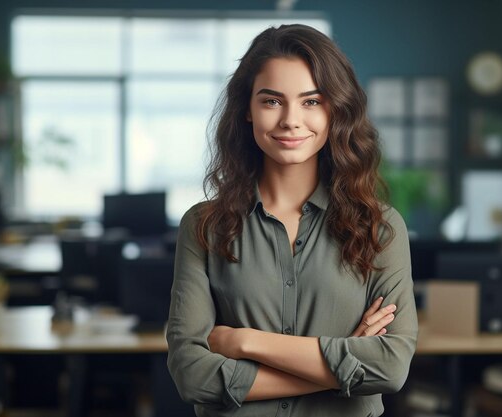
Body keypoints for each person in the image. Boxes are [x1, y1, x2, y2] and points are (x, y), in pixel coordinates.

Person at [166, 24, 418, 416]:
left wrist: (245, 342)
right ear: (247, 111)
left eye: (311, 102)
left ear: (336, 110)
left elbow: (390, 366)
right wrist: (345, 364)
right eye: (271, 101)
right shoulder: (204, 226)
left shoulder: (380, 227)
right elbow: (191, 375)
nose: (290, 120)